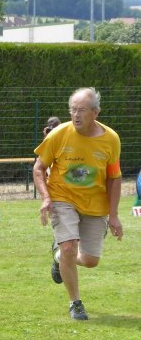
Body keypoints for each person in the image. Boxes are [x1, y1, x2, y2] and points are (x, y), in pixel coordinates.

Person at [33, 87, 123, 321]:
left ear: (96, 112)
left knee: (91, 260)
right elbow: (39, 168)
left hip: (95, 204)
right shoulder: (59, 134)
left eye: (81, 110)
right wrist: (45, 198)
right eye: (72, 110)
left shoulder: (111, 139)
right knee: (70, 247)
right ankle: (75, 303)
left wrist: (113, 216)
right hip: (63, 197)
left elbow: (114, 177)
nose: (76, 115)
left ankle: (59, 258)